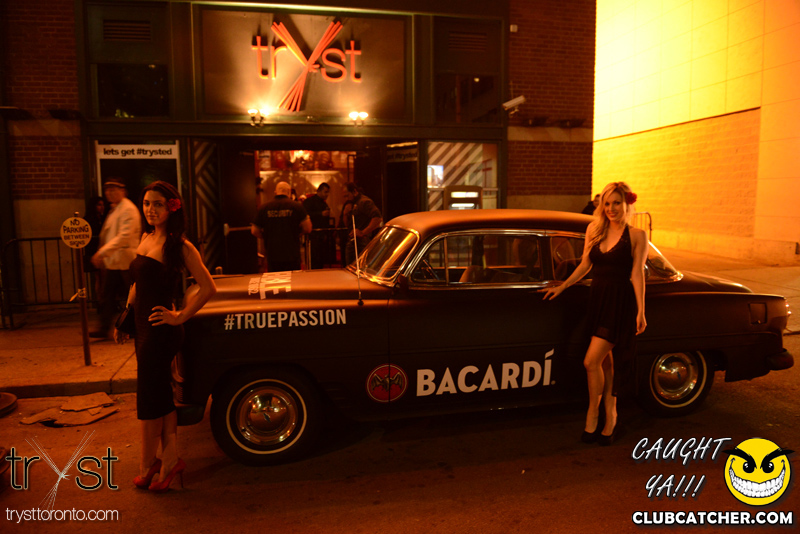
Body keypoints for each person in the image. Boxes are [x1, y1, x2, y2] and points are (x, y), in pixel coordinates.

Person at [116, 180, 216, 493]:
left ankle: (148, 463)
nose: (150, 209)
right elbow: (137, 285)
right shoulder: (146, 238)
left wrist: (180, 315)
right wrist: (125, 319)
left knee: (149, 399)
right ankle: (169, 460)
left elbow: (208, 287)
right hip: (143, 328)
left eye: (158, 204)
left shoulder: (180, 246)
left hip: (161, 332)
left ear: (172, 208)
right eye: (147, 203)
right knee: (159, 397)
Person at [542, 181, 647, 445]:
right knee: (606, 364)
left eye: (616, 203)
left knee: (591, 361)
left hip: (620, 303)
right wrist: (563, 286)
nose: (611, 208)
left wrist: (641, 311)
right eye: (607, 203)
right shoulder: (595, 229)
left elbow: (637, 274)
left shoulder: (636, 235)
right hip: (598, 300)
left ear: (627, 204)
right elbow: (585, 265)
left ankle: (594, 413)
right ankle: (611, 416)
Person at [90, 179, 141, 339]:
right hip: (116, 261)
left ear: (123, 191)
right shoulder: (116, 209)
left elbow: (124, 237)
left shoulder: (128, 209)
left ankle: (138, 327)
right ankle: (104, 327)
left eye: (113, 190)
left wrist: (102, 252)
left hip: (125, 261)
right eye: (107, 190)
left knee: (132, 297)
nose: (109, 193)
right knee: (108, 296)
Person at [251, 181, 311, 272]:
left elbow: (254, 231)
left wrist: (267, 236)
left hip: (272, 254)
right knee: (294, 278)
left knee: (275, 279)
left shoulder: (264, 207)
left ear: (275, 192)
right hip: (292, 253)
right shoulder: (297, 207)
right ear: (289, 192)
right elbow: (308, 228)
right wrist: (298, 234)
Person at [342, 182, 382, 265]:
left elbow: (378, 218)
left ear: (354, 191)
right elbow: (347, 225)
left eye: (347, 195)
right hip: (352, 241)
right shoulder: (351, 203)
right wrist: (345, 214)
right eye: (344, 196)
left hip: (361, 242)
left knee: (361, 267)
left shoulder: (364, 202)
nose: (346, 199)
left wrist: (363, 232)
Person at [303, 182, 332, 269]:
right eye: (325, 192)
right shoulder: (309, 201)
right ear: (319, 191)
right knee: (313, 259)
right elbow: (305, 215)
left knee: (320, 260)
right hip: (312, 234)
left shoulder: (324, 204)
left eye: (328, 192)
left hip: (322, 235)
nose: (327, 194)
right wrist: (320, 214)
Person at [83, 196, 108, 299]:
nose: (102, 207)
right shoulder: (89, 220)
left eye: (103, 205)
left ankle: (102, 299)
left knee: (103, 277)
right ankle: (100, 299)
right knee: (99, 277)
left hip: (102, 250)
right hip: (95, 251)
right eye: (99, 205)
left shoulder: (103, 218)